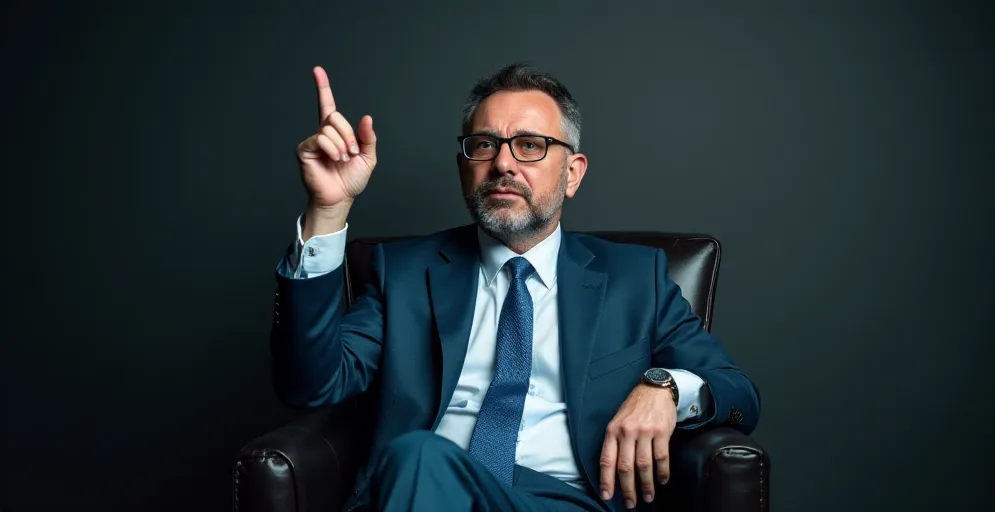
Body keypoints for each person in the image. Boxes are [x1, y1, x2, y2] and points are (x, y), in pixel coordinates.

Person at [271, 62, 761, 512]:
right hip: (426, 488)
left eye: (530, 145)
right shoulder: (404, 272)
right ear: (464, 167)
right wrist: (327, 212)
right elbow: (310, 384)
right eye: (484, 144)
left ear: (572, 173)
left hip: (565, 501)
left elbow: (739, 391)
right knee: (419, 456)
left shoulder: (637, 278)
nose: (503, 163)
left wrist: (666, 386)